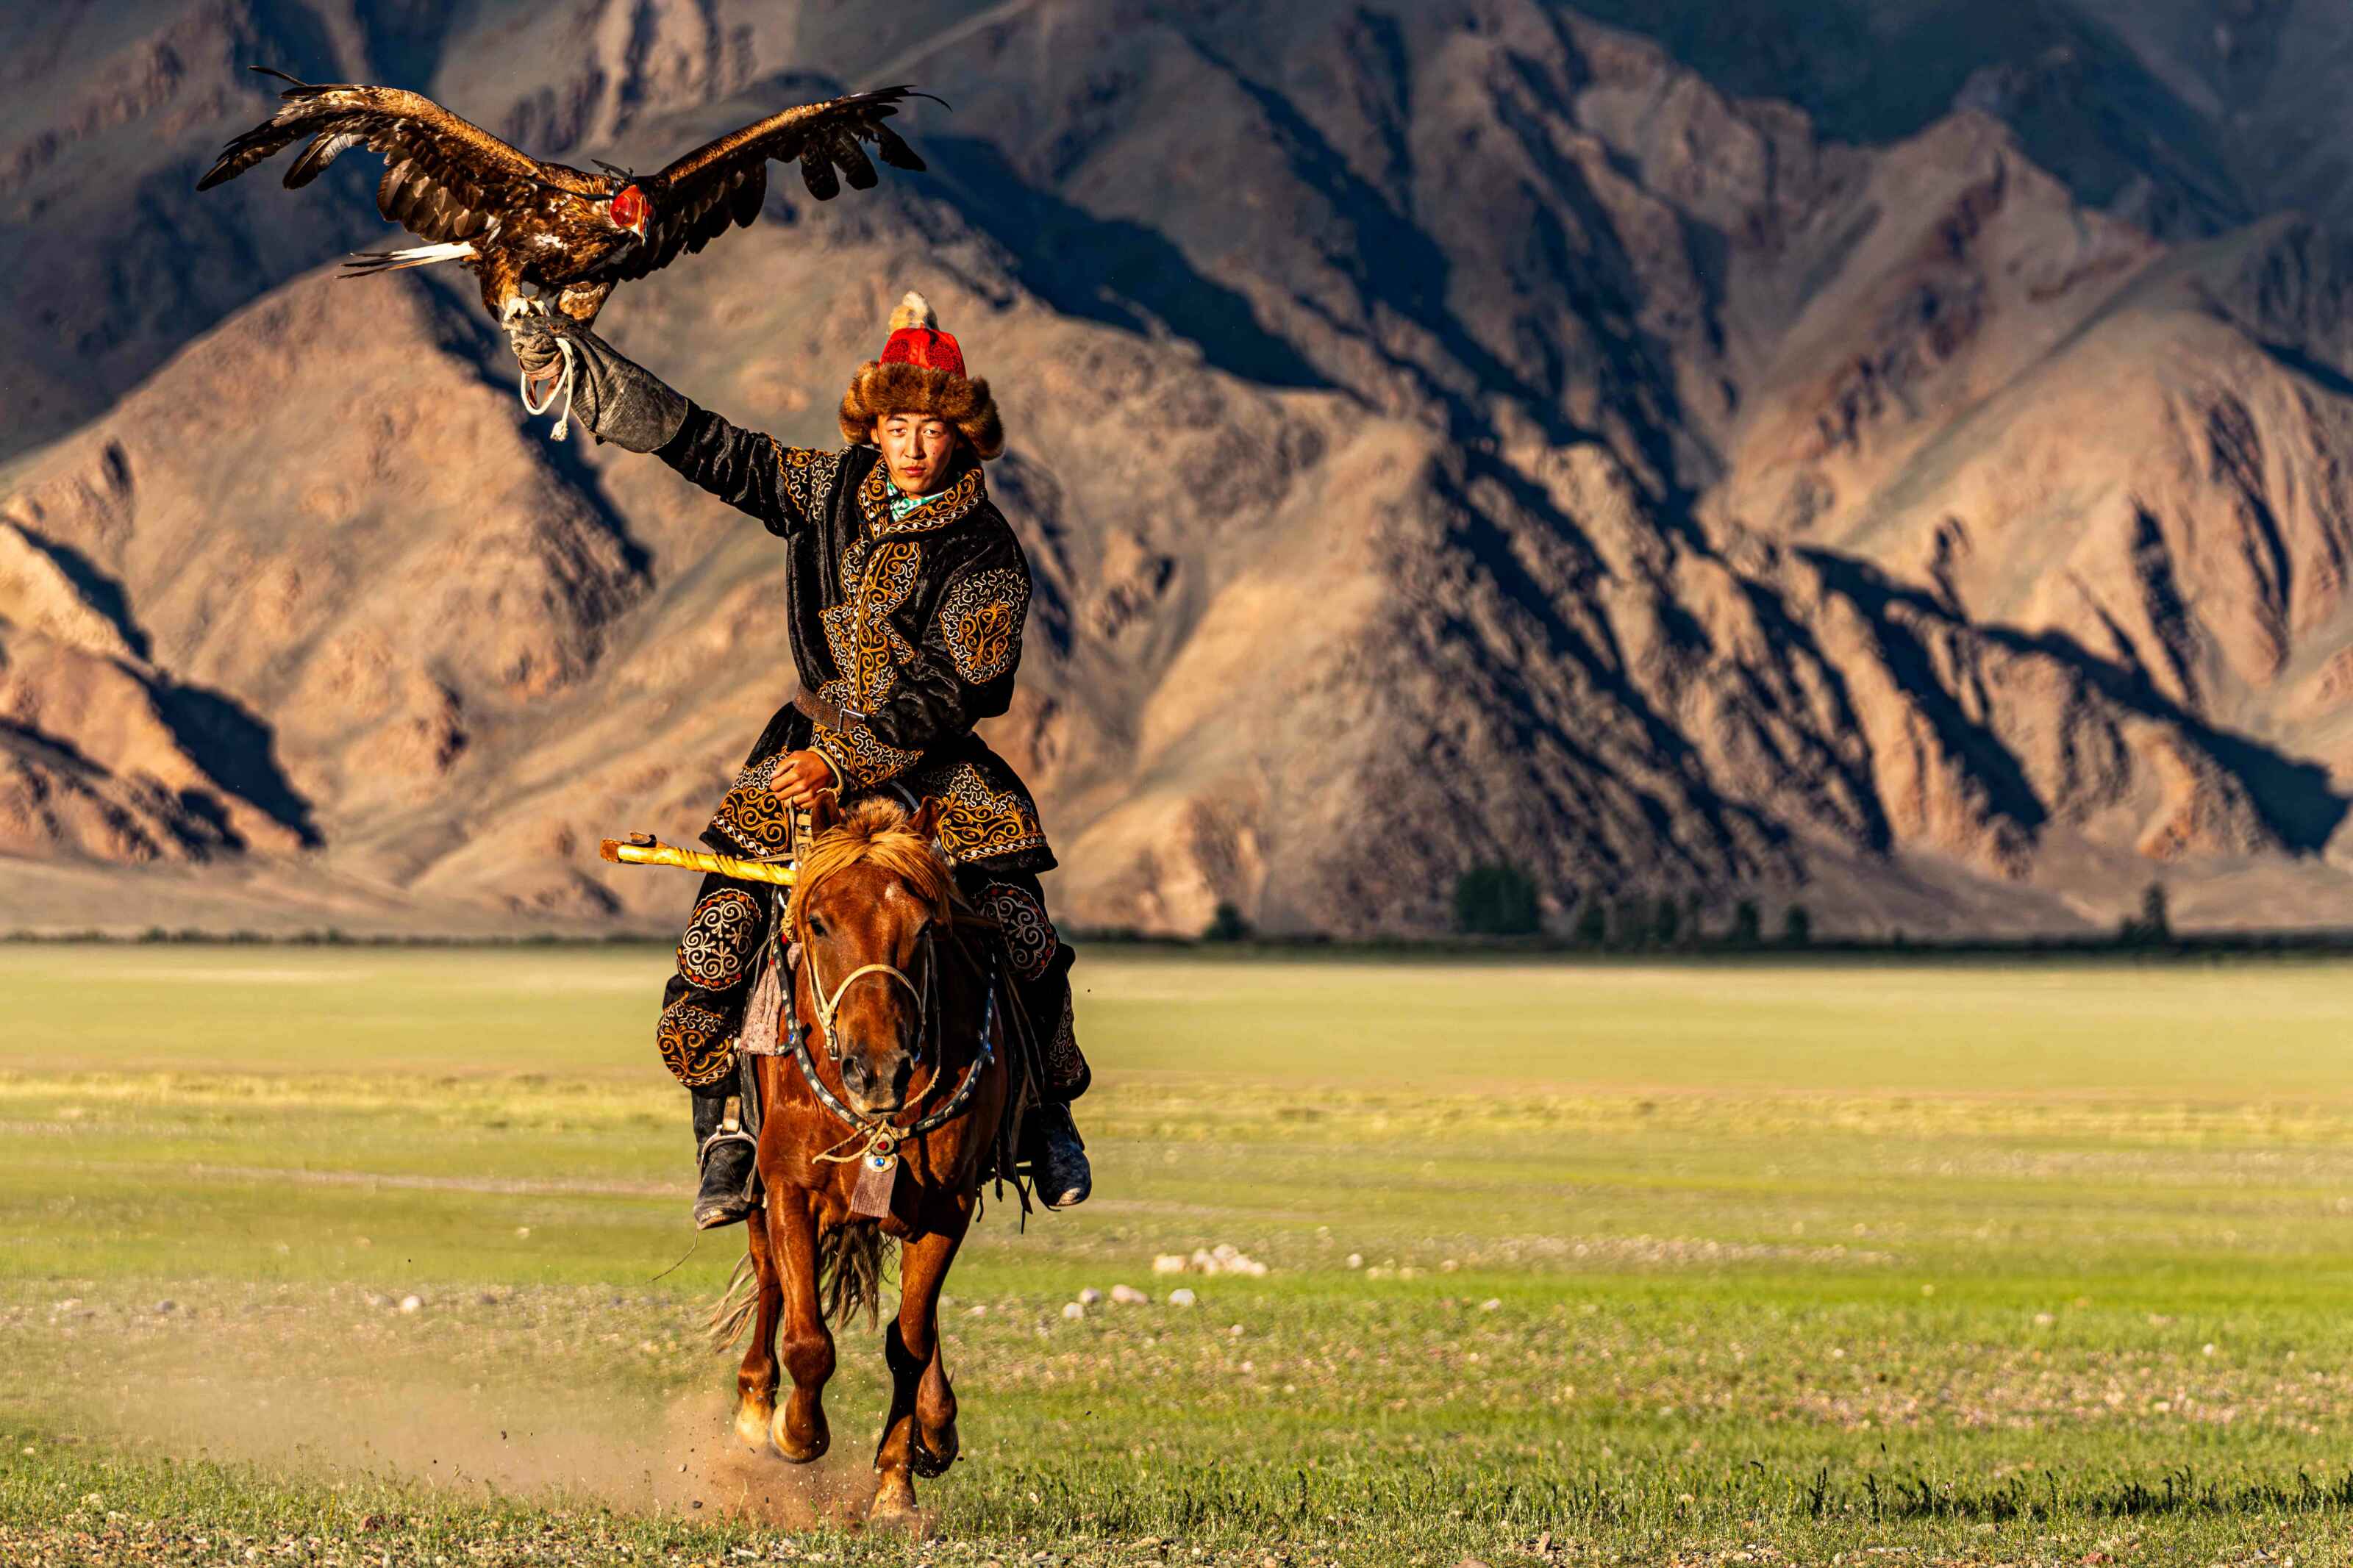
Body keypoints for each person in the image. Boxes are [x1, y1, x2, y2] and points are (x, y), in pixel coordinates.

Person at [508, 292, 1091, 1228]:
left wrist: (845, 760)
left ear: (962, 438)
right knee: (722, 929)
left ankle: (1045, 1119)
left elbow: (957, 690)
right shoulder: (825, 491)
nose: (910, 446)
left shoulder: (988, 553)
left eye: (931, 430)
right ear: (874, 424)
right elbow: (710, 446)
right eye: (896, 425)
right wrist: (589, 372)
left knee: (1020, 929)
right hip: (800, 753)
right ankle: (727, 1133)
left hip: (933, 768)